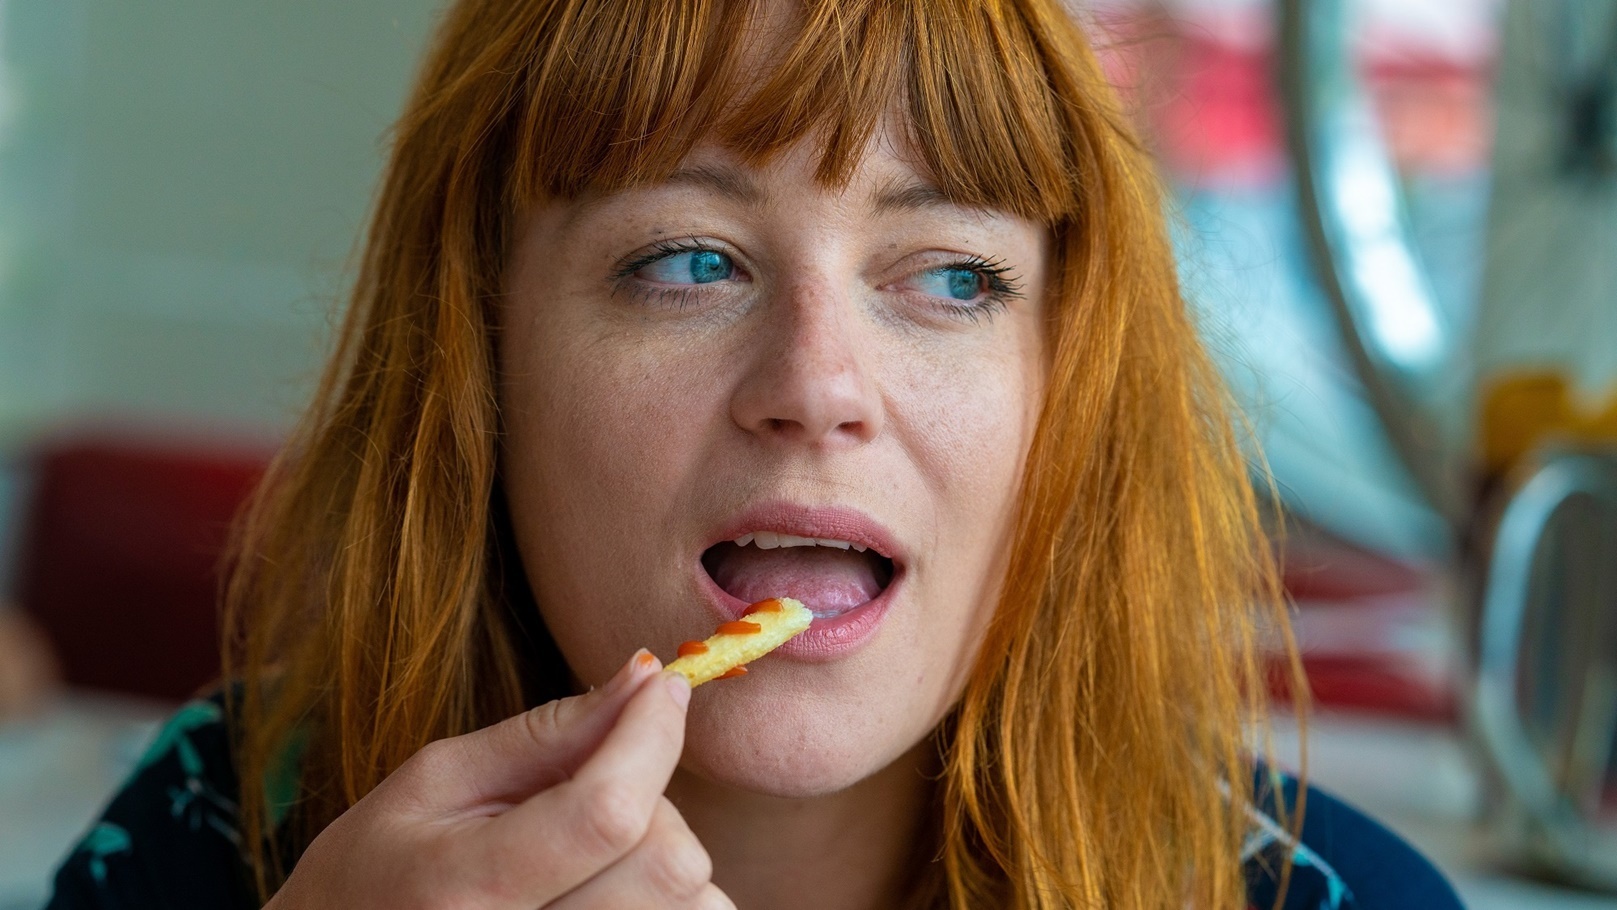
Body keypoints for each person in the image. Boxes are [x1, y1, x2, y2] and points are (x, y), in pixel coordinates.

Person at [46, 1, 1463, 907]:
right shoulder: (211, 831)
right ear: (483, 357)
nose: (816, 385)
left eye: (954, 277)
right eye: (686, 259)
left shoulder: (1332, 897)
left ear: (1064, 394)